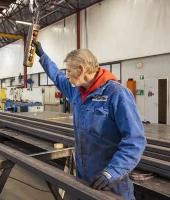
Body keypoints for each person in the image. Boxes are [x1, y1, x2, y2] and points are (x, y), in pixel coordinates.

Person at [32, 40, 146, 199]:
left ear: (81, 69)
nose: (67, 75)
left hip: (111, 183)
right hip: (84, 176)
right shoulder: (78, 92)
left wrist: (110, 173)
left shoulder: (116, 94)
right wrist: (42, 56)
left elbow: (135, 141)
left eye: (69, 71)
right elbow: (58, 78)